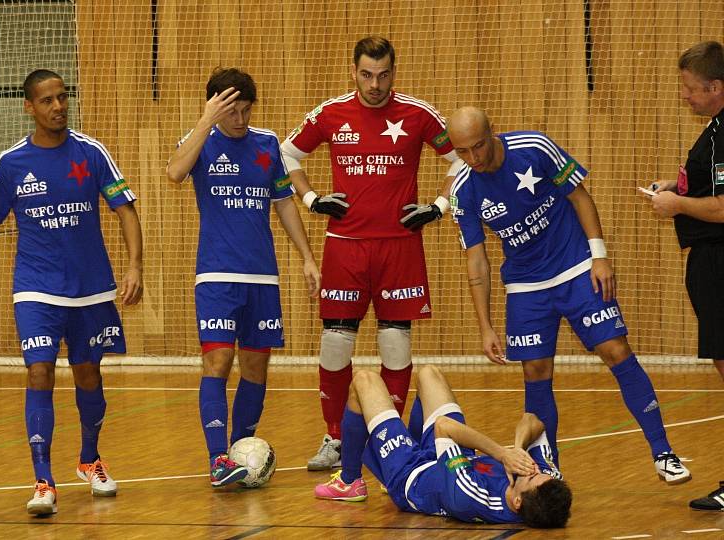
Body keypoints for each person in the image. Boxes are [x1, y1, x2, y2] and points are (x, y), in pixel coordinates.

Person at [447, 106, 691, 484]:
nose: (473, 158)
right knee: (536, 372)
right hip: (526, 286)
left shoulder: (534, 147)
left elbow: (580, 197)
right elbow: (476, 262)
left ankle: (663, 453)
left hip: (577, 266)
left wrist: (600, 256)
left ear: (492, 132)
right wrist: (485, 327)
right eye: (463, 151)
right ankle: (547, 472)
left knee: (616, 351)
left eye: (478, 147)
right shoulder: (464, 189)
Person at [0, 69, 143, 515]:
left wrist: (135, 265)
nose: (58, 106)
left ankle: (89, 459)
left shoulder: (92, 152)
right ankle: (43, 480)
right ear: (29, 107)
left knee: (88, 376)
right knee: (39, 371)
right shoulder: (11, 163)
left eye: (63, 97)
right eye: (47, 100)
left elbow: (126, 209)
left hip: (92, 289)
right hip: (36, 288)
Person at [280, 36, 462, 470]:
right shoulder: (330, 113)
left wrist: (439, 207)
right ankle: (335, 438)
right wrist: (310, 199)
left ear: (393, 73)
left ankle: (388, 439)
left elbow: (463, 160)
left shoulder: (418, 114)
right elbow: (285, 154)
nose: (374, 84)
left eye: (382, 75)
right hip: (345, 248)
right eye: (366, 74)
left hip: (400, 249)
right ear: (354, 71)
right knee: (334, 347)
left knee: (395, 346)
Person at [166, 67, 320, 487]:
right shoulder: (200, 141)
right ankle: (218, 458)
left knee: (256, 368)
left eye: (246, 111)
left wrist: (307, 258)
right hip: (216, 275)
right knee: (217, 361)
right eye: (232, 111)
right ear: (217, 107)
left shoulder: (267, 144)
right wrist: (204, 121)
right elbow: (175, 172)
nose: (241, 119)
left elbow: (285, 204)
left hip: (262, 278)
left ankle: (240, 454)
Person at [314, 365, 572, 528]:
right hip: (451, 459)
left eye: (531, 478)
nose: (532, 470)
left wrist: (502, 454)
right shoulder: (548, 484)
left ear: (516, 502)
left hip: (409, 476)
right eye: (539, 472)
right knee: (429, 374)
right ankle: (407, 441)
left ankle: (350, 482)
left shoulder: (471, 498)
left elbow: (444, 426)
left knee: (364, 380)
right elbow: (533, 421)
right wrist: (517, 447)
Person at [641, 41, 724, 511]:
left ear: (716, 87)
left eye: (691, 89)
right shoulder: (714, 129)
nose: (684, 96)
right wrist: (680, 188)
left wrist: (676, 205)